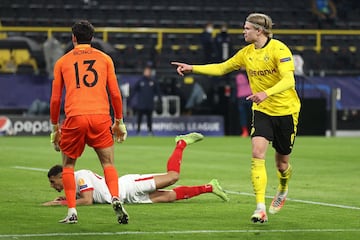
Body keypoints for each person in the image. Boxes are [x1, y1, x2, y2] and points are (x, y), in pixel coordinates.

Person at [172, 13, 301, 224]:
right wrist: (192, 68)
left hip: (286, 111)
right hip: (262, 111)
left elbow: (289, 80)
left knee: (281, 163)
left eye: (247, 28)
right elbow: (222, 67)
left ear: (259, 31)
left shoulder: (279, 49)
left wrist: (266, 93)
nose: (243, 32)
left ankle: (283, 187)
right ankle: (260, 208)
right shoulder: (246, 53)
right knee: (257, 153)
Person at [49, 20, 128, 224]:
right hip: (101, 116)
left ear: (73, 38)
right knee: (108, 163)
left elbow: (56, 99)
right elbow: (115, 94)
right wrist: (118, 121)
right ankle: (116, 198)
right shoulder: (105, 59)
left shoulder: (62, 62)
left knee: (68, 166)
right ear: (92, 38)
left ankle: (72, 212)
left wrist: (55, 127)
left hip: (75, 117)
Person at [43, 133, 229, 206]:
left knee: (173, 177)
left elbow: (88, 200)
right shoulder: (73, 186)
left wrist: (58, 204)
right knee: (170, 196)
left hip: (129, 186)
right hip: (127, 199)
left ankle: (181, 143)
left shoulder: (80, 176)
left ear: (61, 176)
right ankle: (210, 187)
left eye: (53, 181)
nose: (53, 186)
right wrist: (67, 198)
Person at [131, 65, 161, 135]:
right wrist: (130, 98)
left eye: (148, 72)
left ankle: (150, 131)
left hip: (149, 104)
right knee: (139, 118)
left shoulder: (153, 81)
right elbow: (134, 90)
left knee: (149, 118)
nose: (147, 73)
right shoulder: (140, 81)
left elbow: (158, 91)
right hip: (141, 104)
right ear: (144, 72)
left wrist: (160, 100)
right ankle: (138, 131)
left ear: (150, 73)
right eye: (146, 71)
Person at [235, 71, 252, 137]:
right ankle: (245, 131)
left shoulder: (251, 73)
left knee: (253, 115)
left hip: (250, 96)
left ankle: (254, 130)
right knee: (242, 115)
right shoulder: (236, 75)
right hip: (241, 98)